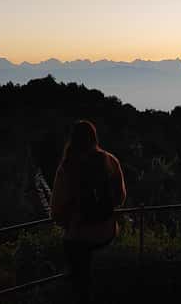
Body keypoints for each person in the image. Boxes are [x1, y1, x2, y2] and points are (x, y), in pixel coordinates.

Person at [51, 120, 127, 304]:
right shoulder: (110, 160)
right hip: (107, 232)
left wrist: (72, 220)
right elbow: (120, 197)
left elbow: (56, 212)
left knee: (79, 284)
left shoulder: (67, 167)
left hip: (78, 236)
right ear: (94, 138)